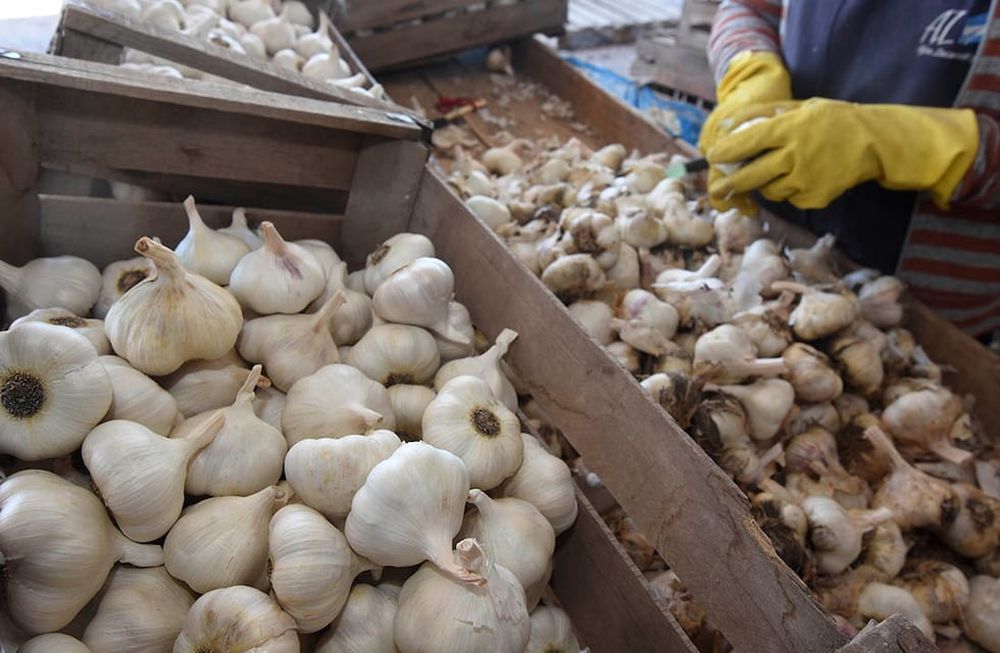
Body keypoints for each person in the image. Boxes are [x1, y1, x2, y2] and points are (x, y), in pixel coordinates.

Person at [700, 1, 1000, 337]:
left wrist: (901, 144)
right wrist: (749, 74)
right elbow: (747, 9)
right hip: (762, 255)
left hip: (918, 326)